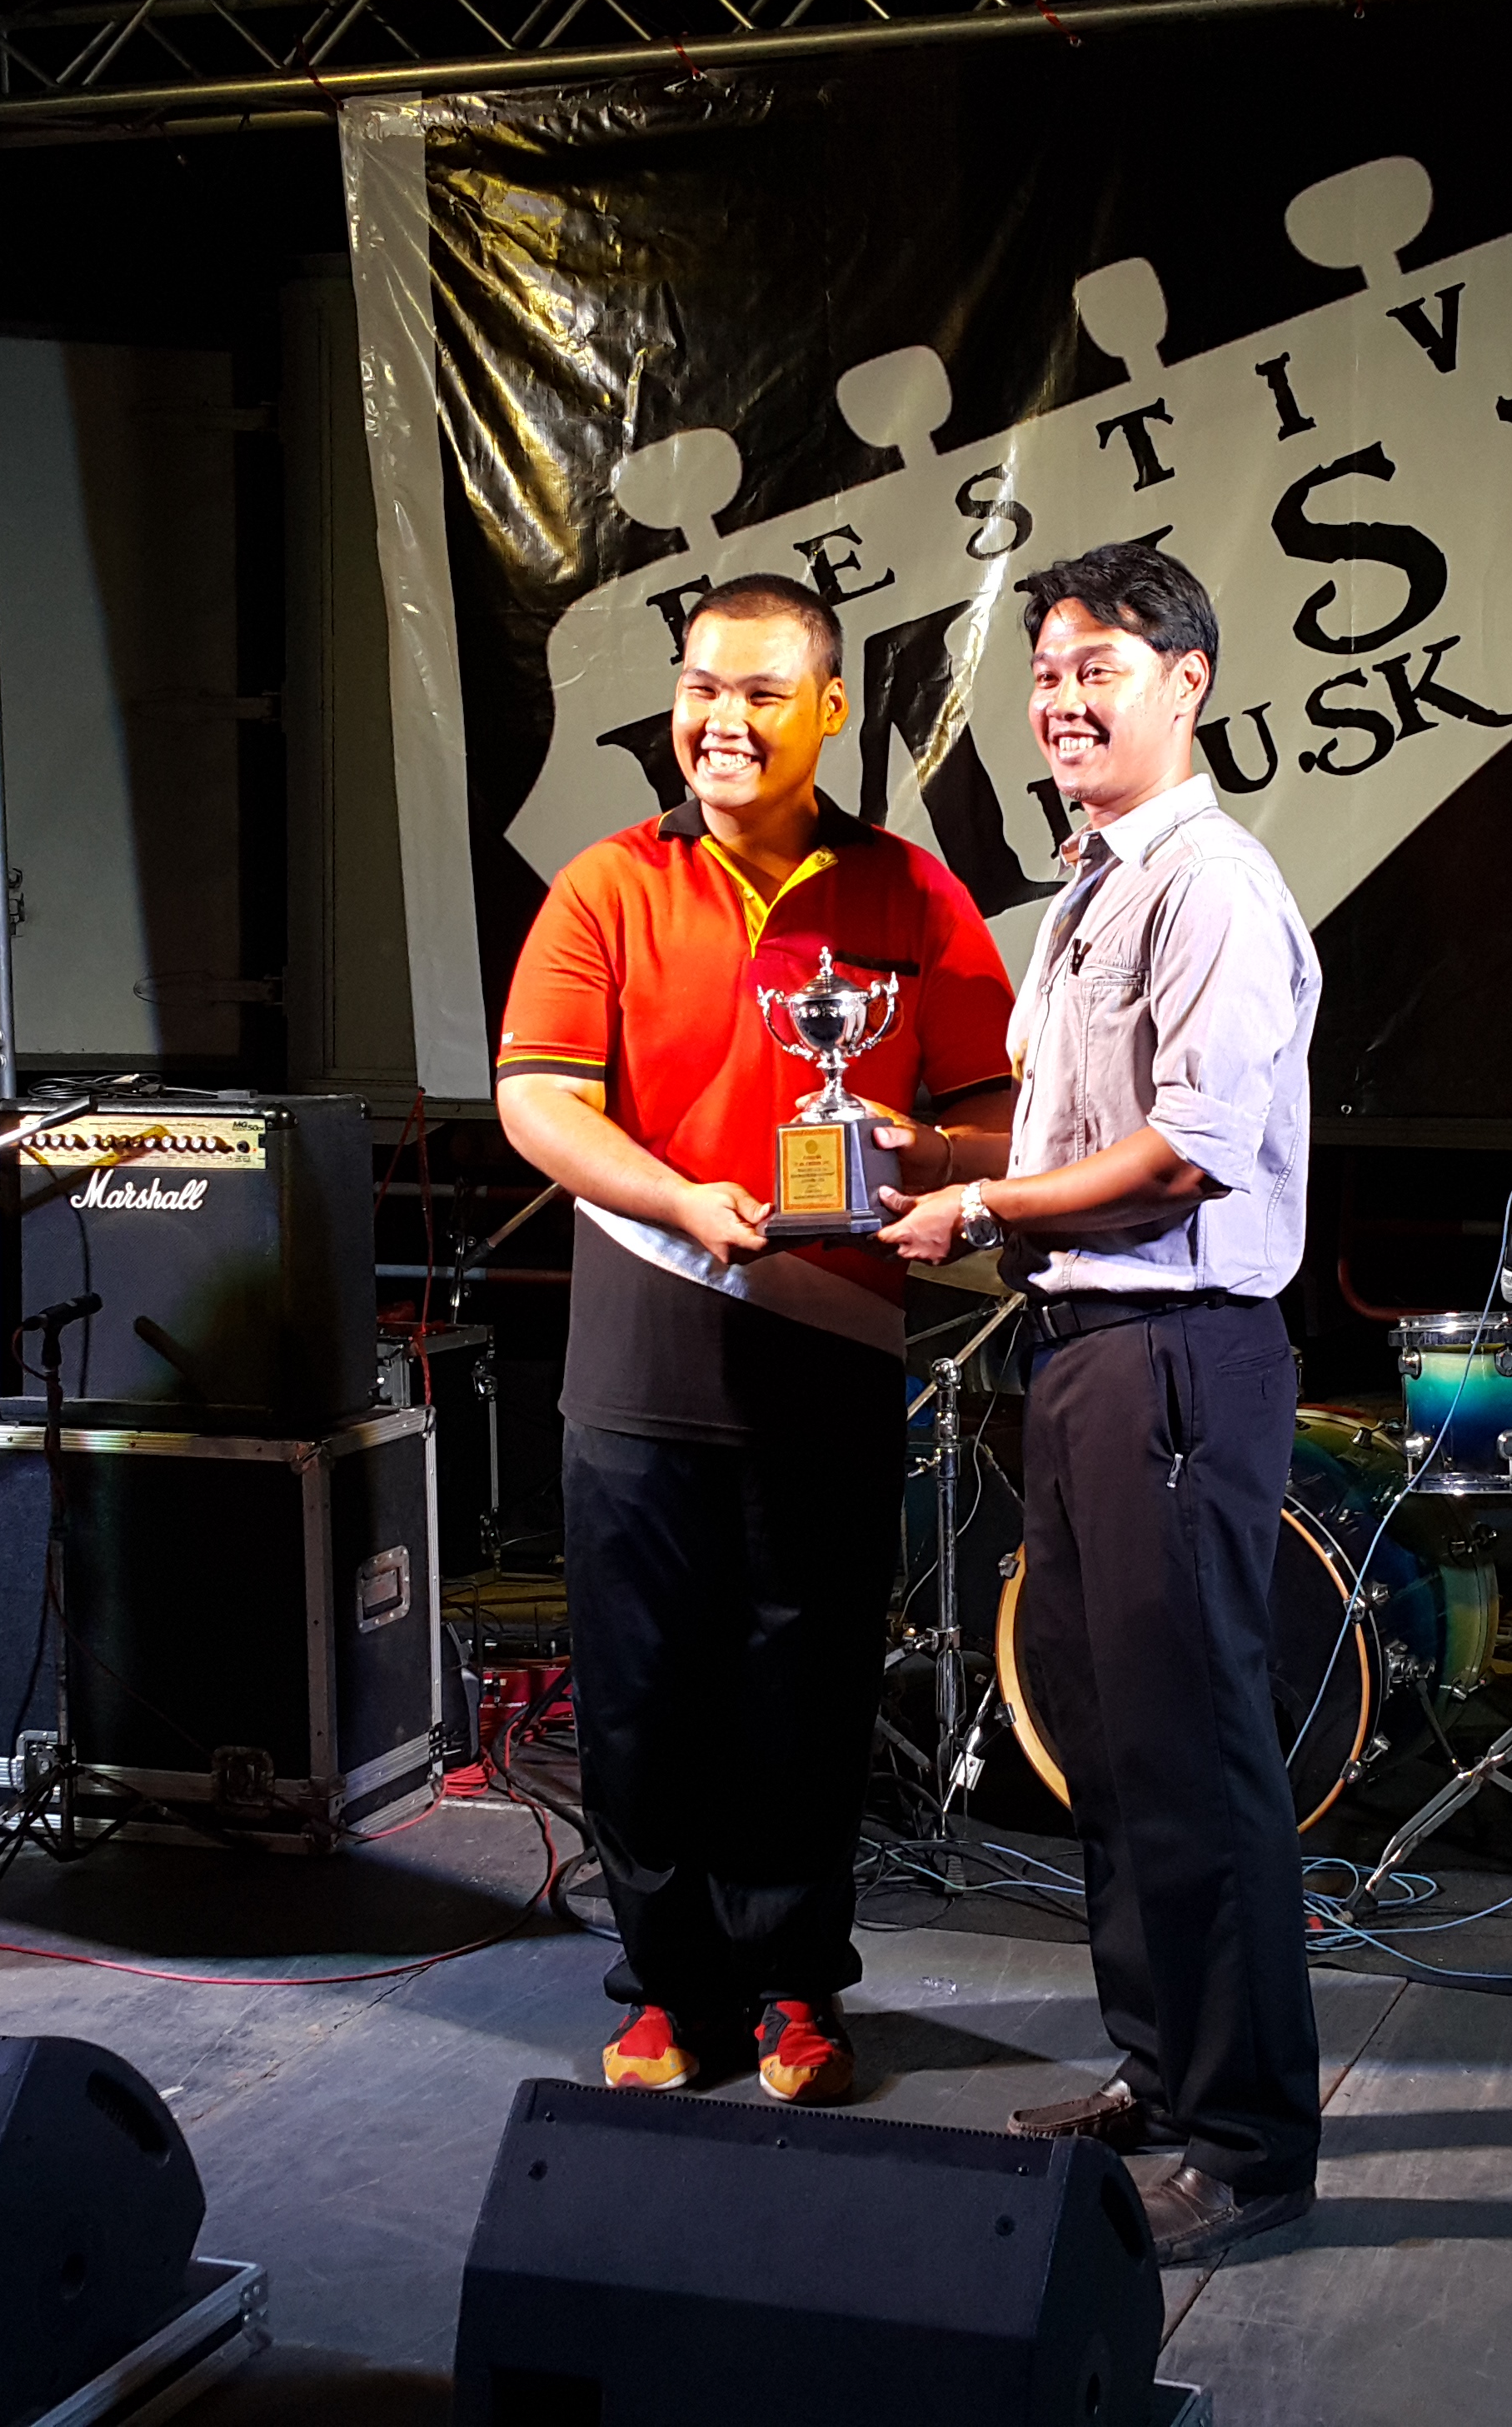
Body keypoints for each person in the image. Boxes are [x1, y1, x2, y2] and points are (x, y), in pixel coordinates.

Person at [493, 574, 1018, 2105]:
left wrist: (923, 1152)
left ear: (830, 710)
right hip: (641, 1361)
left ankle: (796, 1987)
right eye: (701, 690)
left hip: (830, 1358)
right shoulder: (608, 885)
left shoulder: (913, 896)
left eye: (761, 695)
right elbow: (537, 1102)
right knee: (640, 1699)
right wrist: (676, 1197)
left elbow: (997, 1114)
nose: (722, 721)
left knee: (807, 1697)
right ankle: (668, 1988)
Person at [878, 542, 1325, 2265]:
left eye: (1101, 671)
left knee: (1195, 1760)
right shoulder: (1091, 889)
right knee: (1110, 1743)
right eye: (1049, 672)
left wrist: (980, 1205)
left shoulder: (1212, 888)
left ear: (1187, 684)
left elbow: (1180, 1162)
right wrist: (932, 1150)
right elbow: (1081, 1136)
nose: (1062, 701)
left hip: (1177, 1356)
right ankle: (1161, 2077)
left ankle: (1250, 2149)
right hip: (1082, 1357)